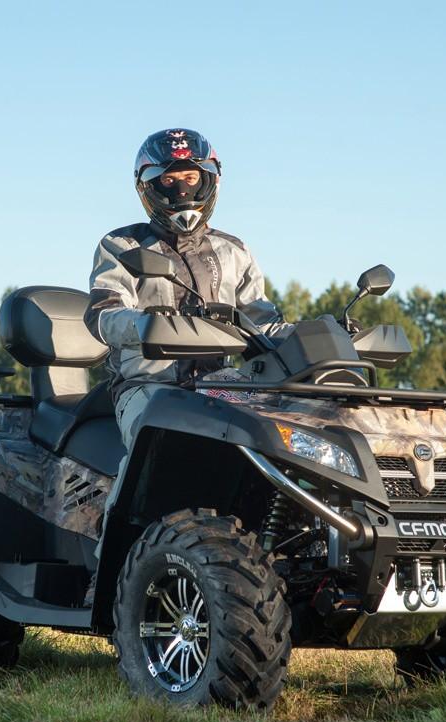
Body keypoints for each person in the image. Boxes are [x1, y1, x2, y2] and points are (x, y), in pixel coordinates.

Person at [81, 128, 290, 605]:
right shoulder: (121, 246)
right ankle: (110, 576)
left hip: (225, 384)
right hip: (147, 385)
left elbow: (262, 318)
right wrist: (145, 325)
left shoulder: (234, 251)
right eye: (170, 180)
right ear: (149, 186)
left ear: (210, 180)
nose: (183, 190)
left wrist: (318, 336)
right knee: (146, 458)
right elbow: (101, 313)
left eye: (192, 178)